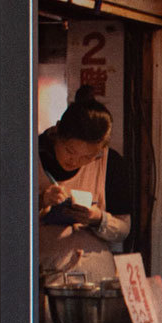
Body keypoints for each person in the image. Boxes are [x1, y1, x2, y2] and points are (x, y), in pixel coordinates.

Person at [38, 85, 133, 289]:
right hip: (45, 277)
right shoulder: (32, 154)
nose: (75, 161)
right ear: (57, 132)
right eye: (70, 151)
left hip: (96, 279)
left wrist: (98, 219)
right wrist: (40, 201)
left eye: (88, 157)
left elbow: (124, 230)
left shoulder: (111, 163)